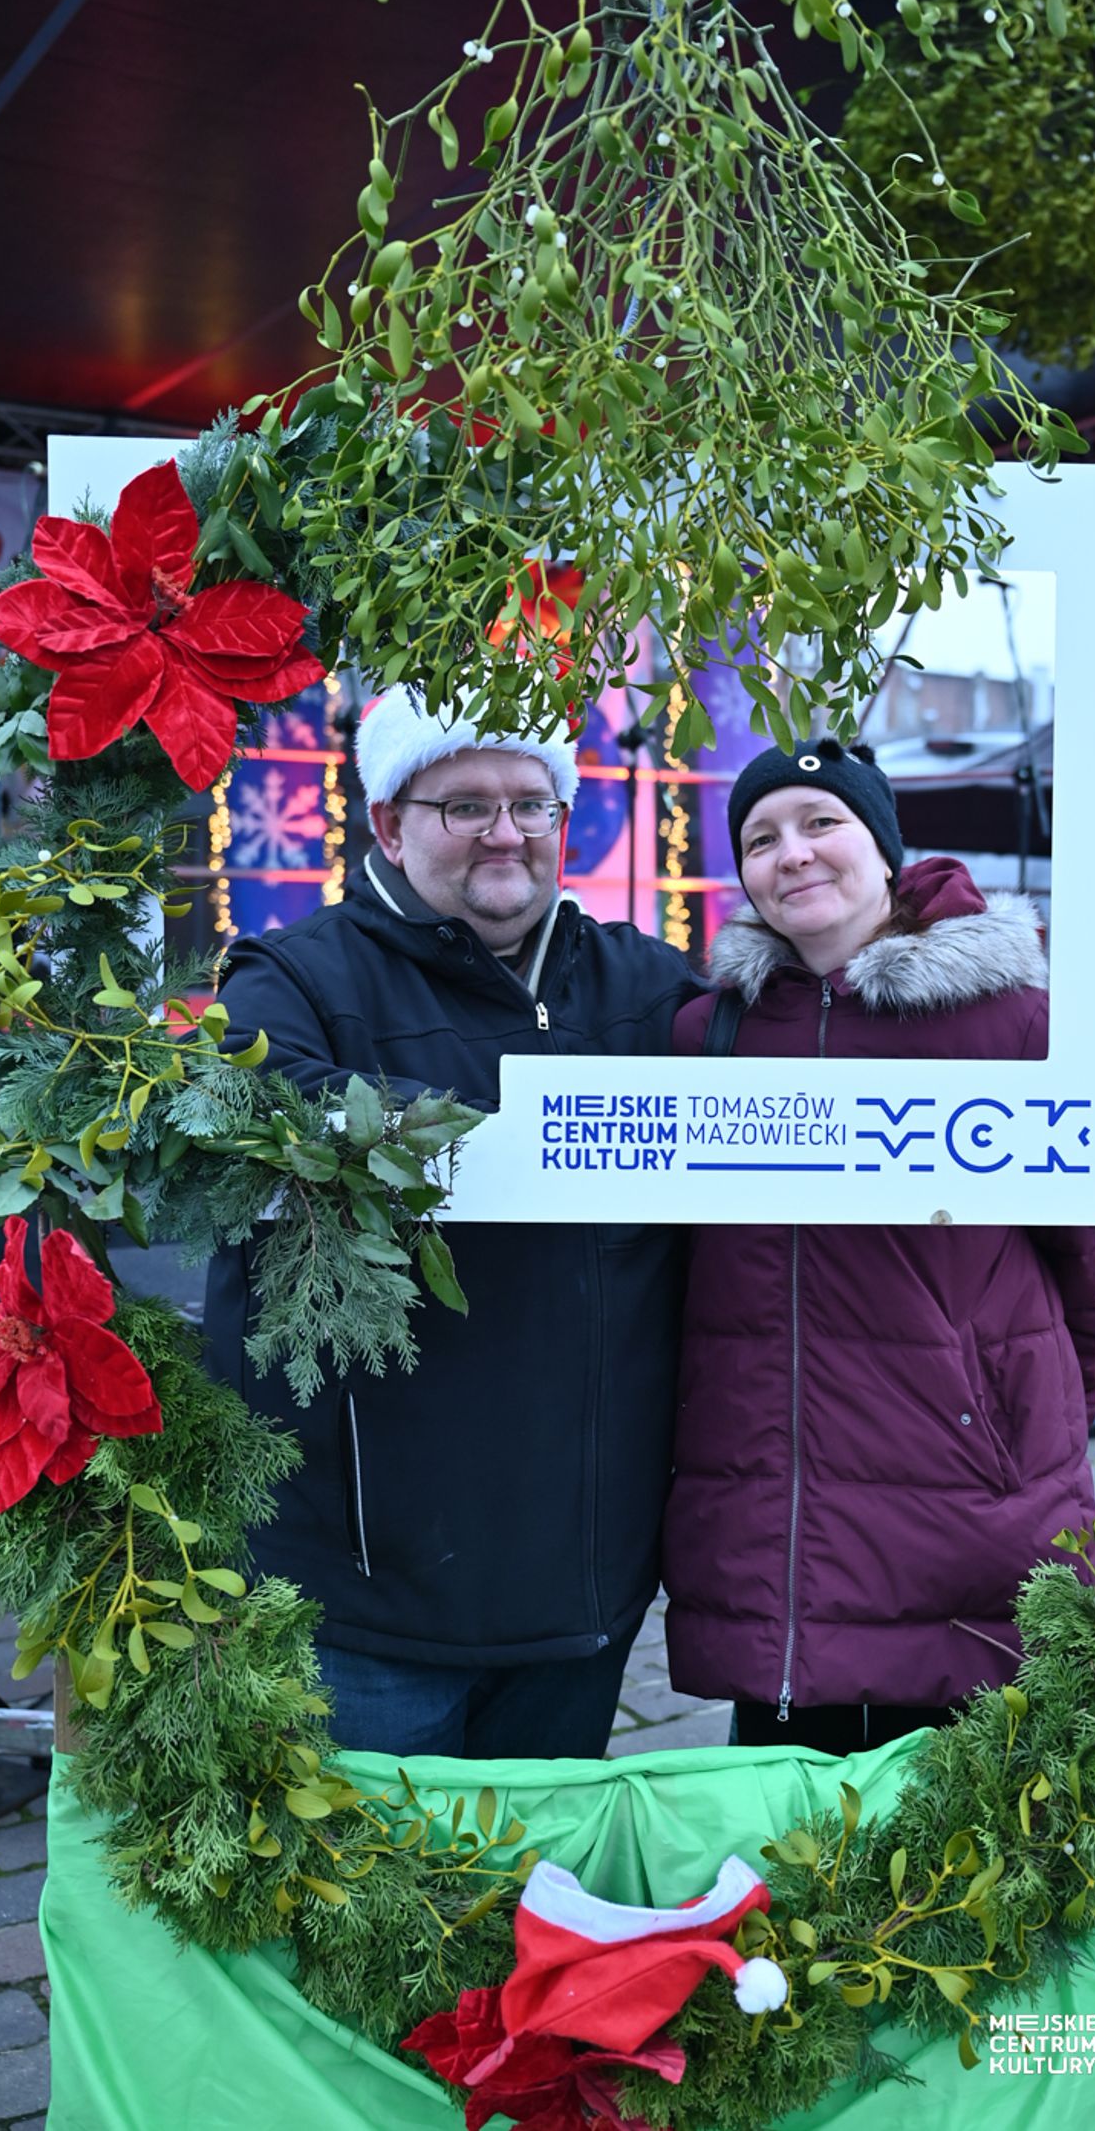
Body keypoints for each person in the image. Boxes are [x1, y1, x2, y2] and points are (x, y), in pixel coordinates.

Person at [204, 687, 697, 1760]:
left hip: (583, 1590)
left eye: (531, 803)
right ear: (389, 822)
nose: (506, 832)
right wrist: (560, 1128)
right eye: (465, 805)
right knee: (369, 1869)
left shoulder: (647, 987)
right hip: (370, 1596)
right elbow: (262, 1108)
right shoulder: (294, 980)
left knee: (540, 1867)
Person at [661, 736, 1095, 1754]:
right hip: (776, 1507)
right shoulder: (708, 1035)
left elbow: (1084, 1256)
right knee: (789, 1814)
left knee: (960, 1813)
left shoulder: (1013, 1022)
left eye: (823, 823)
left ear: (884, 848)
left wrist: (1011, 1423)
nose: (794, 853)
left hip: (959, 1498)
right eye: (762, 838)